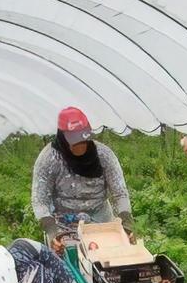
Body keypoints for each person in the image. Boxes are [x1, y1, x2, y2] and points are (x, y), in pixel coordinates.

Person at [32, 107, 135, 250]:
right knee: (68, 265)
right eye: (75, 142)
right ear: (62, 137)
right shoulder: (49, 160)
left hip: (101, 223)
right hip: (64, 227)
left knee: (108, 262)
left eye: (84, 140)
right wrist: (51, 229)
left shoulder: (104, 156)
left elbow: (120, 193)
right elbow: (40, 200)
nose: (81, 146)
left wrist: (126, 222)